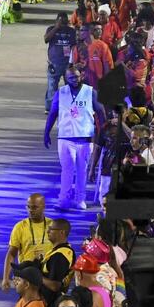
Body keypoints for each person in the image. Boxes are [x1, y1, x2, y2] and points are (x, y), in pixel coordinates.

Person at [43, 66, 105, 210]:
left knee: (82, 170)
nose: (74, 80)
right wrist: (46, 133)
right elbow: (52, 113)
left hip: (84, 138)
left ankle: (80, 199)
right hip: (65, 137)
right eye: (71, 78)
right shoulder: (61, 93)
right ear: (66, 78)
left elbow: (101, 112)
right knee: (67, 170)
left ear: (81, 76)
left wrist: (103, 131)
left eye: (76, 77)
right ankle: (63, 200)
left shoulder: (90, 92)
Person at [3, 193, 51, 289]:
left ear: (44, 207)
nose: (30, 211)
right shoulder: (20, 227)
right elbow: (12, 253)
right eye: (28, 207)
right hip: (27, 277)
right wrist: (5, 278)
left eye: (34, 207)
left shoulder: (52, 226)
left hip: (48, 276)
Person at [39, 219, 74, 307]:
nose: (48, 231)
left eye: (51, 229)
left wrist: (37, 276)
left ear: (61, 232)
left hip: (51, 304)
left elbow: (55, 286)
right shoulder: (61, 250)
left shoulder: (60, 256)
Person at [44, 13, 78, 106]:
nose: (63, 24)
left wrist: (73, 62)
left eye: (64, 22)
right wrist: (56, 28)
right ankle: (50, 107)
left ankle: (70, 105)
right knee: (52, 86)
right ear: (56, 21)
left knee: (70, 86)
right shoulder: (51, 29)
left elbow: (74, 46)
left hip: (68, 64)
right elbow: (46, 39)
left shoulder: (71, 31)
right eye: (60, 21)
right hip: (54, 63)